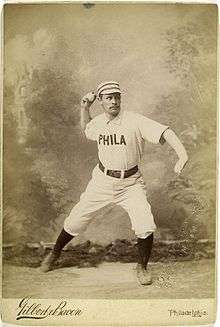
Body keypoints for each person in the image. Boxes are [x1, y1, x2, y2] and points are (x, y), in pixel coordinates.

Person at [41, 81, 188, 285]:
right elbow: (87, 129)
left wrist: (182, 155)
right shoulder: (99, 122)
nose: (114, 101)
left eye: (117, 97)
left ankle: (142, 267)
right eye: (109, 97)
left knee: (145, 224)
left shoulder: (134, 120)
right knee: (76, 220)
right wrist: (84, 108)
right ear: (100, 101)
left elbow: (166, 132)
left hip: (131, 183)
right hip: (102, 181)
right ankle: (55, 253)